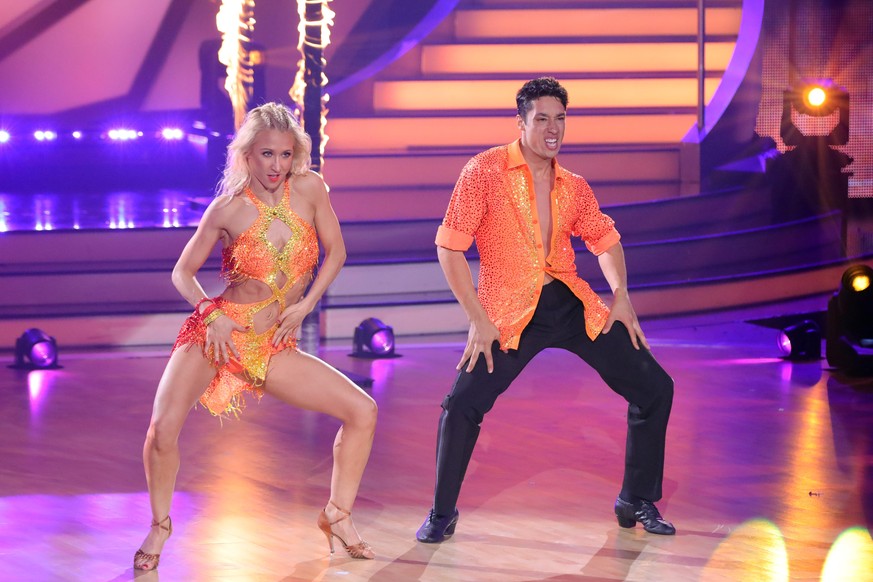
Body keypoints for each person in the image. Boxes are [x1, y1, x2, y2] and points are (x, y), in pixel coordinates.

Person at [416, 77, 675, 543]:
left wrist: (621, 297)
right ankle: (441, 513)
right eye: (542, 119)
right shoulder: (484, 171)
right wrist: (477, 317)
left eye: (560, 119)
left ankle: (635, 499)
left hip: (569, 304)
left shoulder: (573, 186)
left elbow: (605, 239)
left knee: (655, 387)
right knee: (461, 405)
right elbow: (449, 247)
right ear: (521, 122)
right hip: (508, 312)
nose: (552, 129)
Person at [134, 103, 378, 570]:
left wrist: (307, 305)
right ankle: (159, 525)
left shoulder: (309, 189)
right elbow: (182, 273)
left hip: (272, 346)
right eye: (267, 154)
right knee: (161, 430)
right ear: (247, 156)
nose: (277, 165)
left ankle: (337, 516)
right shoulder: (226, 209)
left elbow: (337, 252)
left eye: (286, 155)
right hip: (219, 336)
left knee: (362, 411)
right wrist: (212, 315)